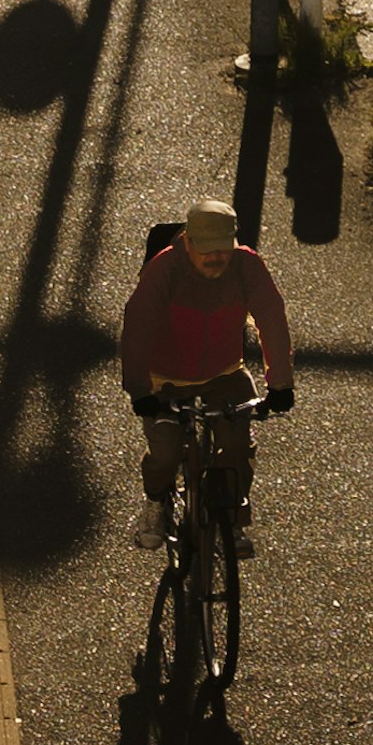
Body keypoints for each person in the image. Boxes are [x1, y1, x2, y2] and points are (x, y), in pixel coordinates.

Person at [117, 193, 295, 531]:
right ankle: (155, 502)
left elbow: (272, 320)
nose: (216, 256)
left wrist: (281, 384)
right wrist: (140, 390)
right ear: (187, 242)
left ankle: (231, 523)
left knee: (236, 448)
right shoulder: (165, 269)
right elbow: (137, 327)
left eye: (223, 247)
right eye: (206, 248)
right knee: (166, 455)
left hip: (224, 373)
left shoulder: (247, 266)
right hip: (164, 379)